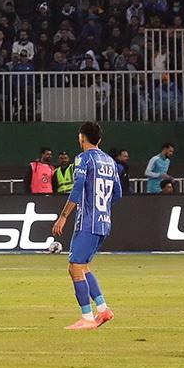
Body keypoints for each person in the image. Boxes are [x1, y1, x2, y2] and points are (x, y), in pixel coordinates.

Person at [50, 121, 121, 330]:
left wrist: (63, 216)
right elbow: (117, 193)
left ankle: (87, 317)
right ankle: (103, 309)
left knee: (74, 267)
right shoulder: (110, 161)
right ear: (100, 139)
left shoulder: (83, 158)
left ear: (81, 138)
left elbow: (78, 187)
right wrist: (102, 209)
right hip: (104, 222)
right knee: (83, 267)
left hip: (88, 222)